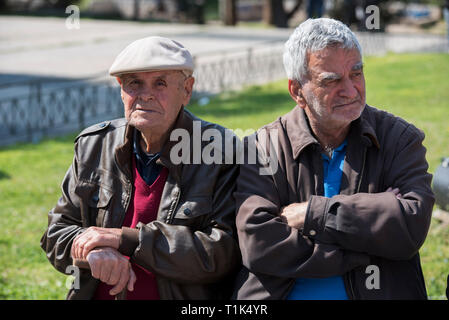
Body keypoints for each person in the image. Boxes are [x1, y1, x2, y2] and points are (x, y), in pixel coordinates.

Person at [232, 18, 435, 300]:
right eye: (331, 80)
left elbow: (410, 226)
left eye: (356, 73)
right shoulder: (262, 147)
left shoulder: (399, 139)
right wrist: (367, 239)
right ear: (296, 91)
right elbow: (259, 244)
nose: (351, 91)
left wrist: (312, 215)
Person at [41, 36, 240, 300]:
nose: (146, 94)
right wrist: (92, 252)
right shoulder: (94, 145)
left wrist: (127, 240)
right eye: (135, 83)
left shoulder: (220, 151)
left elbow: (222, 253)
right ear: (121, 89)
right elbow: (56, 233)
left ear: (187, 90)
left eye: (160, 83)